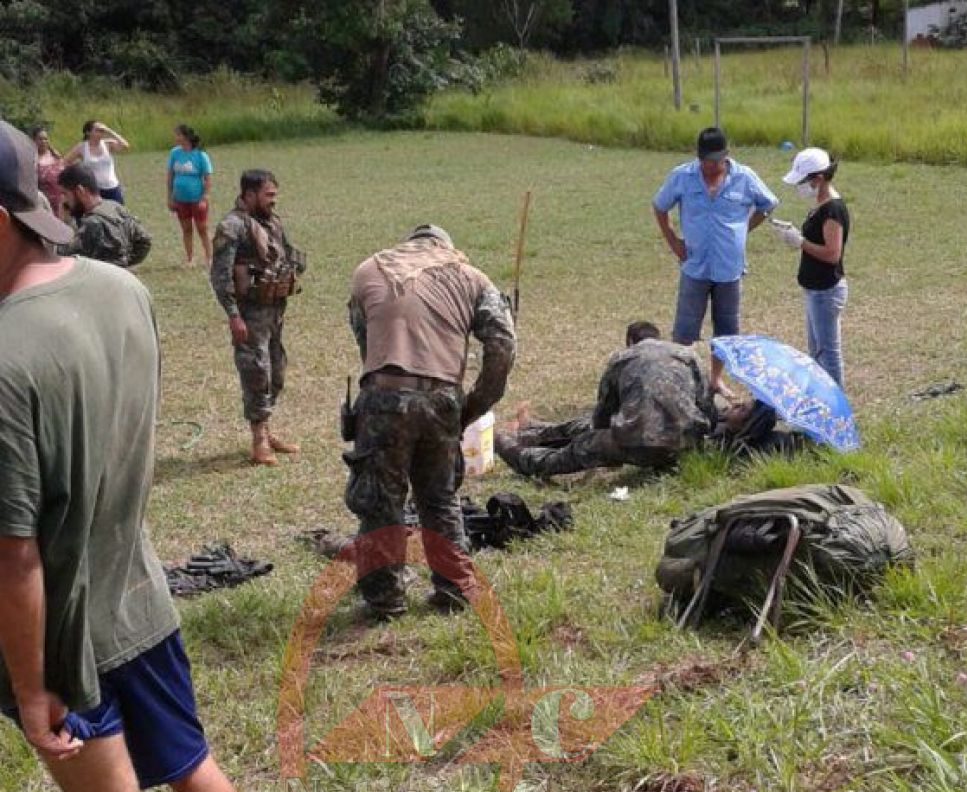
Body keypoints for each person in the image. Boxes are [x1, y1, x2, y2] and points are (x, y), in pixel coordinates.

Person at [0, 121, 256, 792]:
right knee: (192, 767)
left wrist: (32, 689)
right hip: (140, 593)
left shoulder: (5, 357)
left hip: (63, 639)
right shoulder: (120, 290)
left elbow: (15, 556)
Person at [345, 224, 516, 619]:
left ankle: (385, 599)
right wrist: (473, 406)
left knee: (381, 501)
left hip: (385, 394)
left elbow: (364, 338)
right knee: (440, 498)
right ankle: (454, 589)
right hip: (443, 400)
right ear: (445, 248)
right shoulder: (472, 277)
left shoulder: (369, 270)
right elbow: (504, 344)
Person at [495, 321, 715, 477]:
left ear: (630, 341)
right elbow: (707, 406)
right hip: (686, 445)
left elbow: (602, 416)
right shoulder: (688, 356)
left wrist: (600, 443)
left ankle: (505, 445)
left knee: (565, 456)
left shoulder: (623, 358)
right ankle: (533, 430)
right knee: (591, 427)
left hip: (634, 444)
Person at [652, 127, 778, 397]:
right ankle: (680, 383)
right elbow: (660, 206)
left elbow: (768, 204)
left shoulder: (744, 177)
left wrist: (743, 229)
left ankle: (716, 379)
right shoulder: (682, 176)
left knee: (726, 332)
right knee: (684, 330)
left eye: (714, 161)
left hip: (729, 268)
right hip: (694, 265)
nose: (708, 166)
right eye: (704, 160)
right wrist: (674, 241)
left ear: (726, 155)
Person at [210, 169, 306, 465]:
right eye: (268, 195)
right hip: (249, 314)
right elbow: (220, 275)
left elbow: (286, 253)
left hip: (274, 311)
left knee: (277, 372)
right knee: (256, 372)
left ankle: (266, 428)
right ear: (249, 194)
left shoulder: (271, 222)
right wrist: (233, 315)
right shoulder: (231, 227)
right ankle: (258, 440)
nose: (273, 200)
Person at [771, 147, 851, 388]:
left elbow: (832, 254)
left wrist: (800, 242)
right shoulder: (820, 204)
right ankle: (819, 397)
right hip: (815, 289)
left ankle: (835, 404)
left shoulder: (832, 210)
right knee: (816, 352)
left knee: (828, 353)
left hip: (826, 291)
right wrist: (793, 233)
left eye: (803, 182)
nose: (800, 187)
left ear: (819, 178)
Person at [57, 164, 152, 268]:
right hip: (121, 275)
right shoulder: (115, 207)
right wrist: (125, 264)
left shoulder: (91, 223)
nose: (64, 200)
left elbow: (63, 257)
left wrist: (63, 224)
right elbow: (144, 241)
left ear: (80, 191)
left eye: (65, 194)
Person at [167, 124, 213, 267]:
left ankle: (209, 258)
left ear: (186, 137)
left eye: (178, 135)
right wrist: (170, 196)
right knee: (186, 229)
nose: (175, 137)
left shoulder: (200, 155)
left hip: (197, 199)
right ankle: (190, 258)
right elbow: (170, 176)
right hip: (180, 199)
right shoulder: (174, 153)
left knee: (202, 229)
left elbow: (207, 178)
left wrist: (204, 198)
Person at [64, 119, 129, 203]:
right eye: (97, 130)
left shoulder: (107, 144)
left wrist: (109, 131)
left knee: (118, 210)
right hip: (95, 190)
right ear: (88, 133)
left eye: (102, 130)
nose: (101, 132)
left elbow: (125, 146)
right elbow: (65, 162)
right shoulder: (82, 147)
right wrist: (78, 175)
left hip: (113, 187)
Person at [30, 125, 65, 220]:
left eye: (45, 139)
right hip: (44, 203)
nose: (43, 141)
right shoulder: (32, 158)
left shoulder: (55, 156)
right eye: (40, 139)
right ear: (34, 140)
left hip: (60, 202)